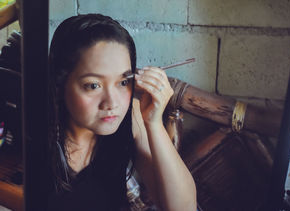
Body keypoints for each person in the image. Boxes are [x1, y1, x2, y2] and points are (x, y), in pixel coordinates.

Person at [47, 14, 197, 211]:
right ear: (60, 84)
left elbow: (182, 209)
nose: (112, 103)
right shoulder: (39, 138)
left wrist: (153, 124)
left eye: (123, 82)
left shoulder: (132, 115)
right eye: (93, 85)